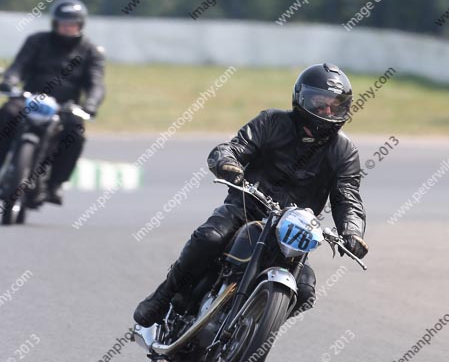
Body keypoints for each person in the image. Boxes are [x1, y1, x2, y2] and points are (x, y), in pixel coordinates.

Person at [133, 62, 368, 328]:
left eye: (334, 105)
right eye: (319, 102)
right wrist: (229, 164)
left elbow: (347, 196)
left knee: (304, 290)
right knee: (211, 237)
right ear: (301, 99)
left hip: (293, 230)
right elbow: (231, 148)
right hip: (246, 208)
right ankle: (164, 296)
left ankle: (252, 330)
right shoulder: (271, 122)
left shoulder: (345, 152)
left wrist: (352, 231)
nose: (326, 111)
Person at [0, 0, 105, 204]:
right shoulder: (36, 41)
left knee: (75, 132)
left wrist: (90, 104)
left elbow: (96, 83)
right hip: (30, 100)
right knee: (8, 113)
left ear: (80, 24)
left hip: (65, 108)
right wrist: (10, 82)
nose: (67, 27)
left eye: (72, 23)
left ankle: (55, 184)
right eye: (63, 23)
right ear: (55, 23)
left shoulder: (90, 51)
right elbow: (18, 67)